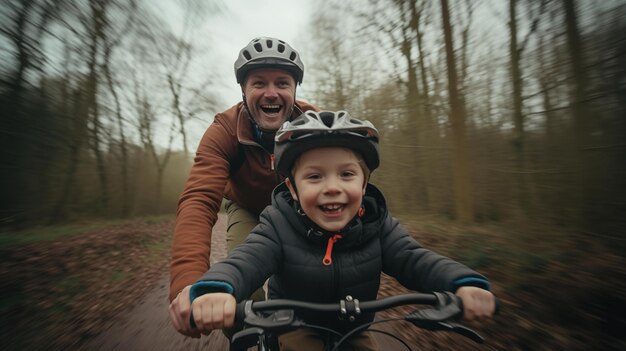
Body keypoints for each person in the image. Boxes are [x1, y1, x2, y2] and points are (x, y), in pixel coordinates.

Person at [188, 111, 497, 350]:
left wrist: (461, 283)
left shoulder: (378, 225)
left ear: (364, 185)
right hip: (295, 325)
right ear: (292, 189)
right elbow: (246, 260)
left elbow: (415, 258)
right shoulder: (278, 224)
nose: (333, 187)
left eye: (347, 174)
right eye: (314, 177)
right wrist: (216, 288)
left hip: (356, 327)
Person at [168, 37, 318, 338]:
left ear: (295, 90)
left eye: (283, 83)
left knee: (315, 285)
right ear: (244, 90)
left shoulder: (314, 124)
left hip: (298, 208)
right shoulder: (224, 129)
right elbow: (198, 201)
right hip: (246, 207)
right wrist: (187, 282)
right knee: (244, 292)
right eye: (259, 83)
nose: (271, 93)